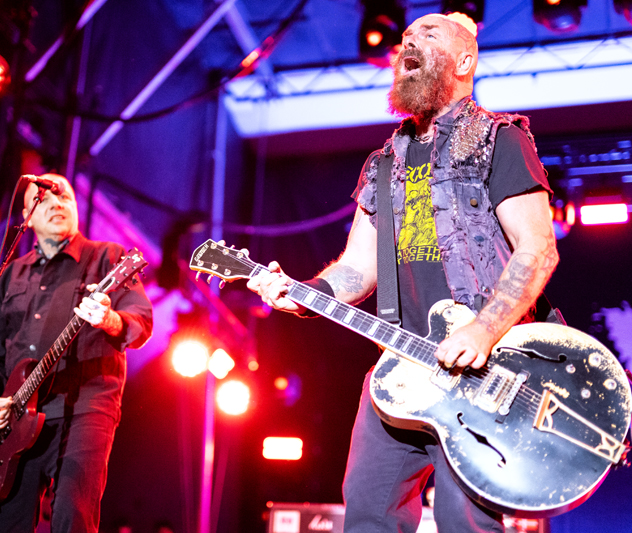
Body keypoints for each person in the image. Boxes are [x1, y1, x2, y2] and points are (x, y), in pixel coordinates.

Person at [247, 12, 558, 533]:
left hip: (483, 371)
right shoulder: (383, 163)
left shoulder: (498, 138)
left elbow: (538, 249)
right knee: (366, 515)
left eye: (429, 34)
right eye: (406, 37)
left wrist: (484, 328)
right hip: (400, 371)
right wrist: (304, 292)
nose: (409, 40)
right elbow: (356, 268)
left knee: (465, 521)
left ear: (465, 59)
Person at [0, 174, 153, 533]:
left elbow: (141, 321)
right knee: (4, 524)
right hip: (12, 421)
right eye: (45, 198)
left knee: (72, 516)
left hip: (84, 408)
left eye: (66, 197)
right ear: (26, 214)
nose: (58, 203)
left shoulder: (109, 258)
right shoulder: (10, 274)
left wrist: (110, 319)